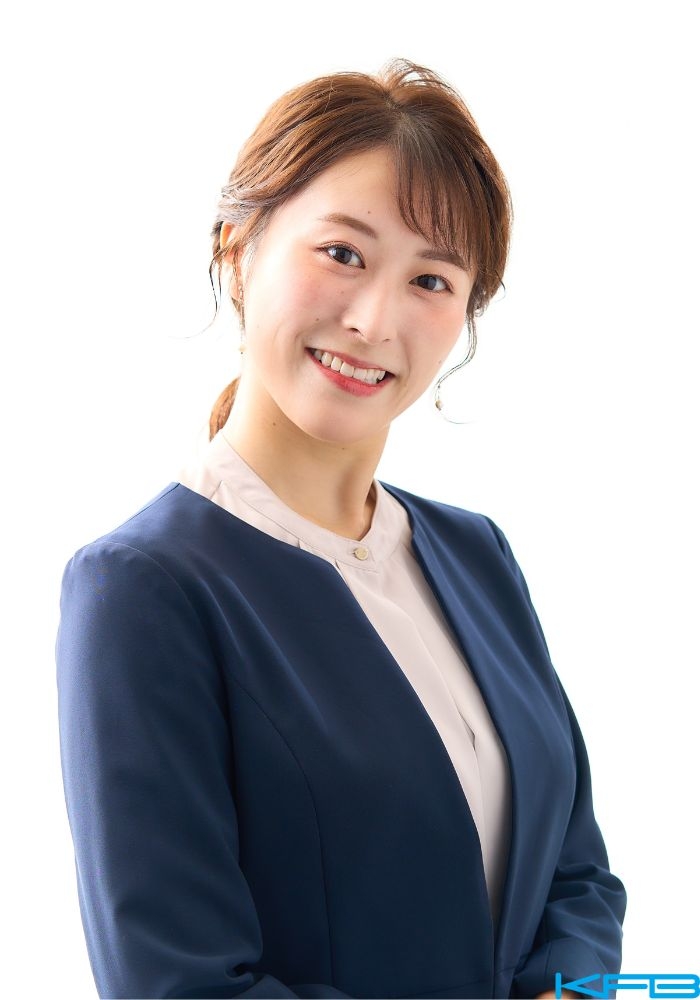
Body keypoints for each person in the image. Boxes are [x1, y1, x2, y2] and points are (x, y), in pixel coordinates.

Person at [56, 59, 626, 1000]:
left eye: (432, 279)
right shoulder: (144, 587)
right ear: (238, 250)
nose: (374, 320)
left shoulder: (476, 555)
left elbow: (577, 877)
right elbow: (183, 983)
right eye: (343, 254)